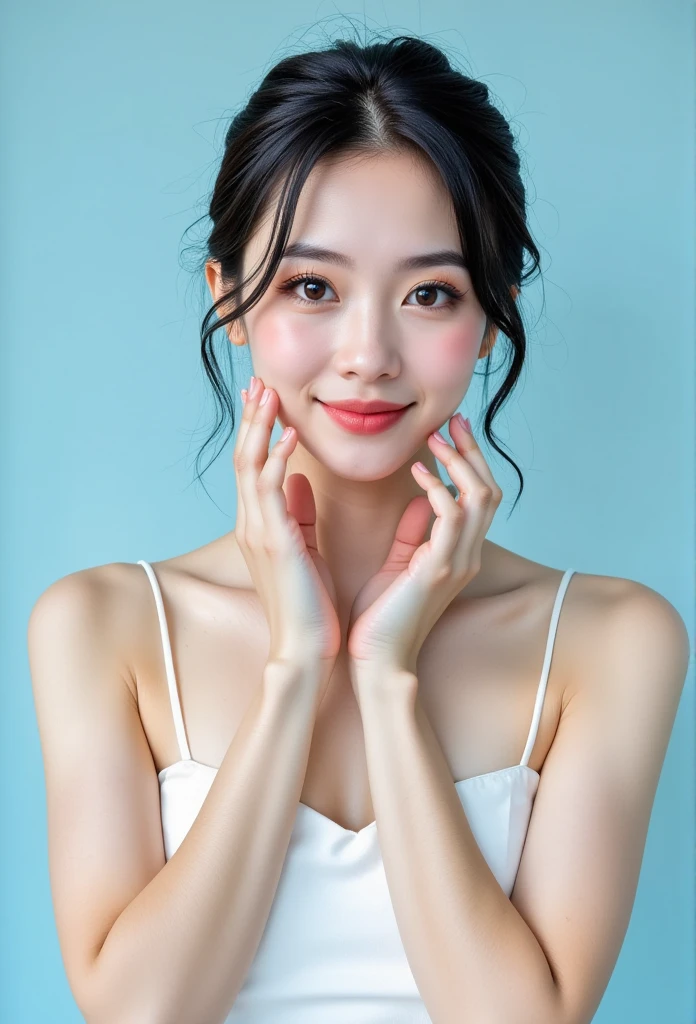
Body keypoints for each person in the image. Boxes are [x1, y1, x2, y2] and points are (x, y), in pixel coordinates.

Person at [28, 32, 690, 1024]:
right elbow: (141, 1013)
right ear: (231, 301)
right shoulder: (104, 626)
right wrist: (296, 667)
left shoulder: (610, 639)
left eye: (431, 293)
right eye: (311, 287)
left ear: (495, 314)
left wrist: (387, 677)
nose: (369, 353)